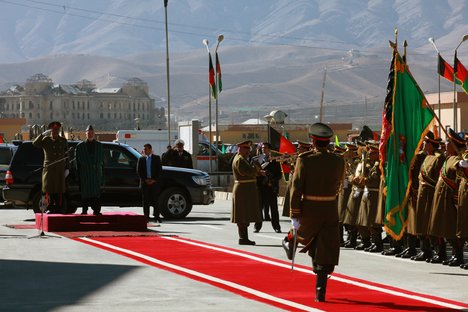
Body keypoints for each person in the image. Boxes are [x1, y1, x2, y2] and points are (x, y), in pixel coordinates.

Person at [284, 122, 345, 302]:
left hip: (310, 209)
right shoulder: (338, 161)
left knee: (303, 235)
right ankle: (320, 290)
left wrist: (295, 213)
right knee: (326, 250)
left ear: (313, 141)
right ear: (328, 142)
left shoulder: (305, 160)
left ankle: (290, 242)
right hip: (330, 210)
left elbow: (296, 188)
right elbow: (339, 186)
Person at [32, 121, 69, 213]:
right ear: (50, 130)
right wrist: (42, 134)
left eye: (57, 130)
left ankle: (58, 208)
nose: (55, 132)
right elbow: (35, 144)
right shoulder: (46, 140)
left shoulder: (63, 141)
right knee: (48, 189)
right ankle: (49, 207)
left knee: (58, 190)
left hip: (60, 169)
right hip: (49, 169)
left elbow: (67, 155)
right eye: (54, 130)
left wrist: (67, 168)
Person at [231, 140, 262, 245]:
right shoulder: (240, 160)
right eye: (246, 149)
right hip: (243, 190)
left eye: (249, 149)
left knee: (245, 215)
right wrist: (256, 169)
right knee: (242, 215)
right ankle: (243, 238)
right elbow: (247, 172)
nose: (248, 151)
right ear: (241, 149)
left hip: (245, 190)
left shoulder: (243, 159)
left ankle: (244, 238)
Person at [253, 142, 282, 233]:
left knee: (273, 208)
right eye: (262, 148)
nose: (263, 149)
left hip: (271, 187)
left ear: (269, 149)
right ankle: (257, 226)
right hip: (261, 187)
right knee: (258, 208)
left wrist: (270, 177)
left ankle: (276, 227)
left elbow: (279, 175)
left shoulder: (274, 160)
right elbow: (253, 172)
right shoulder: (258, 159)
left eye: (265, 147)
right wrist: (259, 173)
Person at [75, 125, 104, 216]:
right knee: (85, 192)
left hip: (96, 174)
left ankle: (96, 210)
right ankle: (84, 210)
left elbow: (102, 161)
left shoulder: (99, 146)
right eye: (88, 133)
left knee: (96, 193)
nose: (90, 134)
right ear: (85, 134)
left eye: (92, 133)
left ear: (94, 134)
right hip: (85, 174)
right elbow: (77, 162)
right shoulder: (80, 147)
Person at [137, 143, 163, 222]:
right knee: (146, 201)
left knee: (156, 200)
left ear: (150, 149)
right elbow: (139, 171)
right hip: (145, 183)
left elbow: (159, 171)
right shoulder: (141, 159)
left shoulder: (157, 158)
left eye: (146, 149)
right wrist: (145, 179)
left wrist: (154, 179)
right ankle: (146, 217)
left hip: (154, 183)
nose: (144, 151)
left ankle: (157, 217)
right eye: (144, 149)